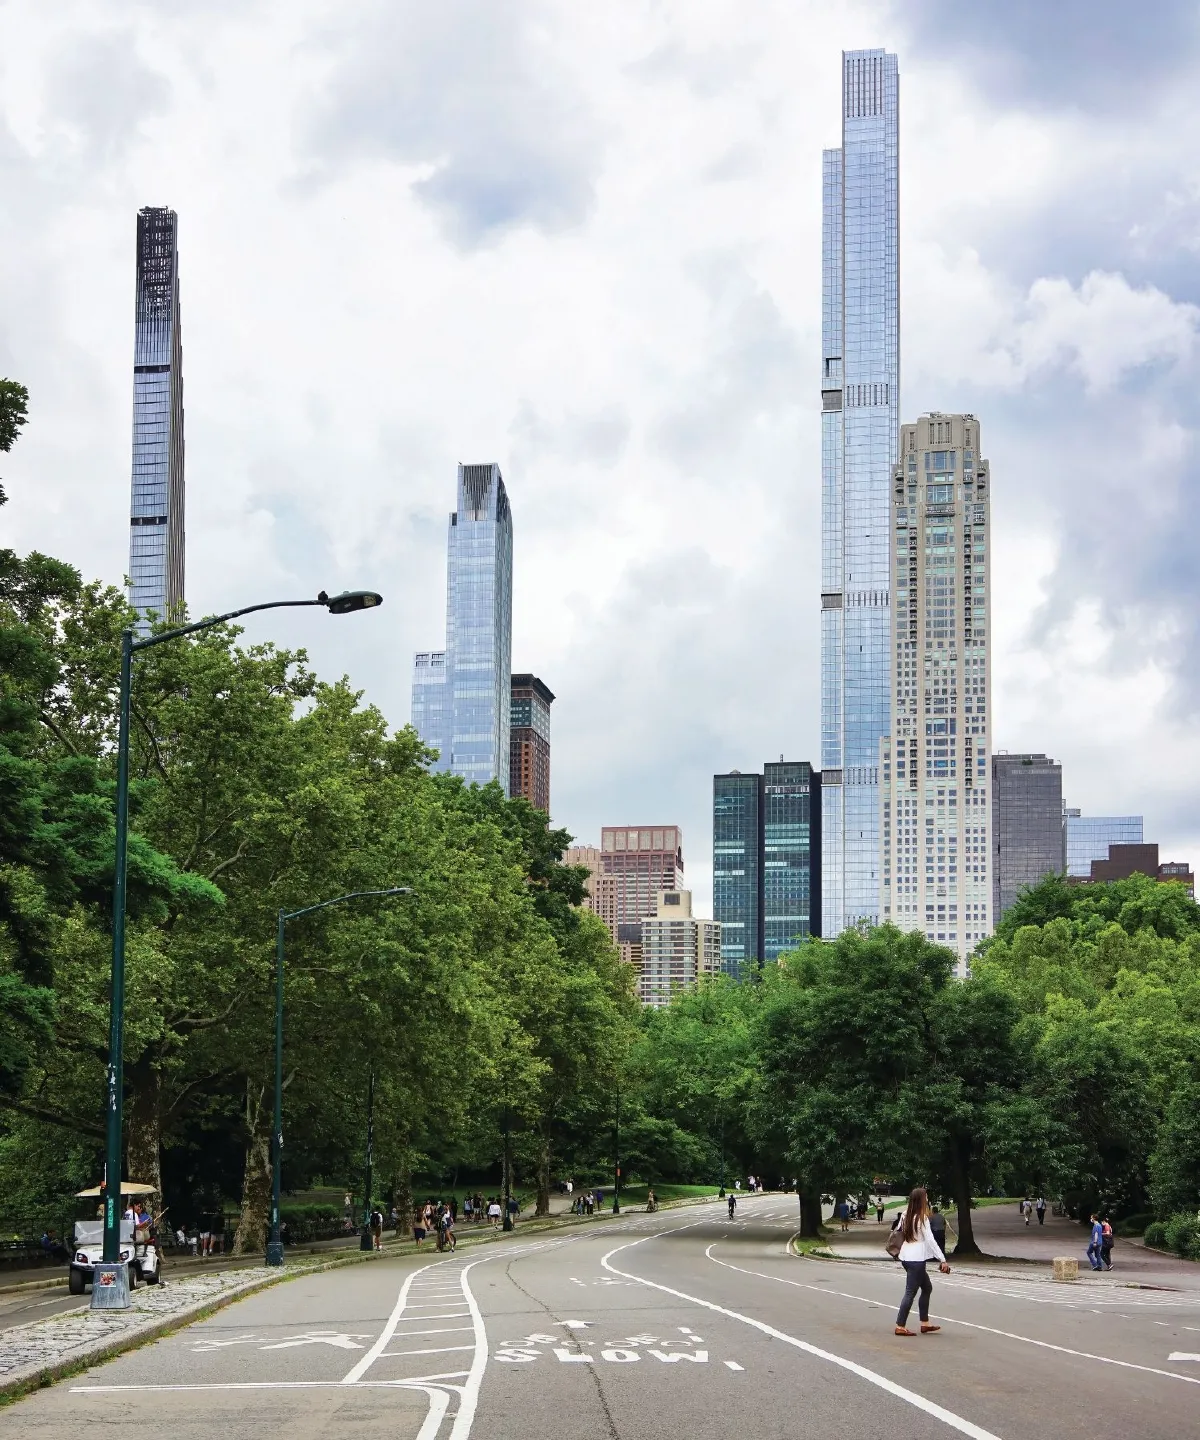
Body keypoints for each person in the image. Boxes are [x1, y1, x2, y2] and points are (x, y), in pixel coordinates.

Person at [893, 1186, 950, 1336]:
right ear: (921, 1200)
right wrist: (942, 1259)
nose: (928, 1199)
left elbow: (898, 1232)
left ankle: (925, 1323)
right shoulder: (922, 1218)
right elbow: (930, 1240)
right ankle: (900, 1325)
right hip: (917, 1259)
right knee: (910, 1292)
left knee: (927, 1287)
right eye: (926, 1197)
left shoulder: (905, 1214)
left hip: (906, 1256)